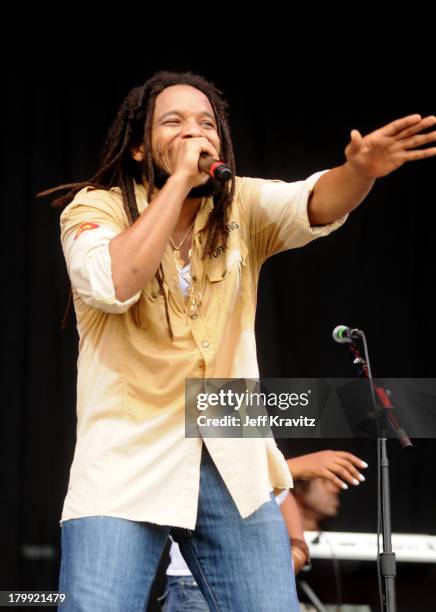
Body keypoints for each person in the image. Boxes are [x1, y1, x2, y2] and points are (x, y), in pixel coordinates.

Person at [39, 70, 436, 611]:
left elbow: (314, 202)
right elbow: (113, 284)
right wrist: (177, 181)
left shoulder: (240, 207)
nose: (194, 134)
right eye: (173, 123)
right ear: (137, 147)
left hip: (230, 439)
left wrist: (359, 171)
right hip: (126, 451)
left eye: (206, 124)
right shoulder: (94, 209)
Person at [160, 450, 367, 612]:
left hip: (254, 586)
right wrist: (297, 467)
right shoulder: (210, 418)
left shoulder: (256, 441)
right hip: (195, 586)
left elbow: (283, 495)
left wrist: (298, 550)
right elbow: (214, 483)